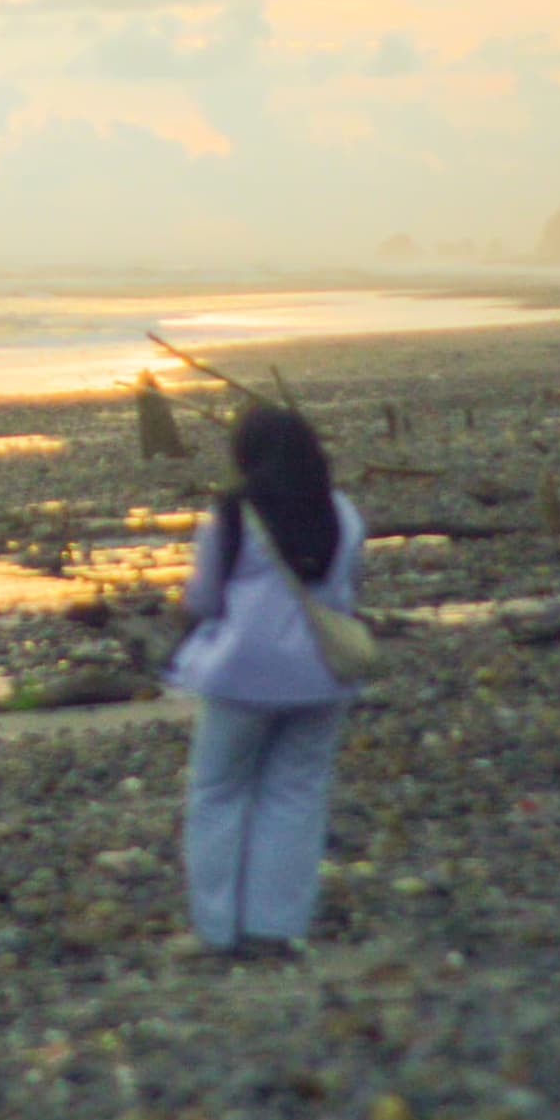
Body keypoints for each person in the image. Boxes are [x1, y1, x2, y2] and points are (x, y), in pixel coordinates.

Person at [166, 403, 366, 960]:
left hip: (241, 678)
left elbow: (205, 599)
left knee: (217, 794)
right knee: (296, 795)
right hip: (323, 676)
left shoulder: (232, 515)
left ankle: (217, 931)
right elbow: (348, 590)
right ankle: (275, 930)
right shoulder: (342, 513)